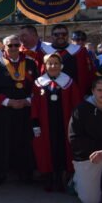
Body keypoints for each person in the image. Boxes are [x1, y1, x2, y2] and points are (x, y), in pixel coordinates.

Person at [0, 35, 38, 185]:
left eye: (17, 45)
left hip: (25, 109)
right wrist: (8, 102)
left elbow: (37, 86)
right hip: (4, 111)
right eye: (10, 46)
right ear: (4, 47)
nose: (14, 48)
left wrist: (27, 101)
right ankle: (0, 174)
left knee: (25, 141)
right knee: (2, 142)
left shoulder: (30, 64)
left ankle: (25, 173)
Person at [32, 53, 82, 192]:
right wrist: (35, 122)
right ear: (45, 66)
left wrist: (76, 123)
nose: (53, 66)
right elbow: (34, 104)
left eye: (56, 63)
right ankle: (48, 178)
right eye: (50, 63)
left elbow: (76, 104)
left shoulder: (69, 82)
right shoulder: (38, 83)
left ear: (61, 66)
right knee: (46, 150)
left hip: (64, 123)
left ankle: (61, 178)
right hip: (45, 124)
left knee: (62, 150)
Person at [43, 24, 93, 96]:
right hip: (49, 92)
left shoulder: (80, 51)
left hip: (75, 93)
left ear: (68, 36)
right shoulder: (43, 51)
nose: (60, 36)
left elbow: (89, 72)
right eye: (56, 34)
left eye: (64, 34)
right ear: (51, 36)